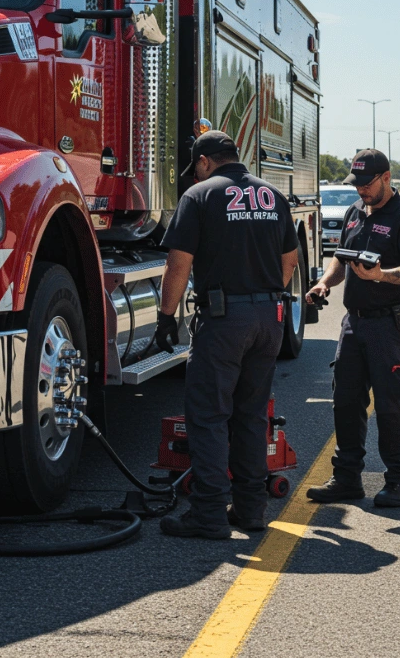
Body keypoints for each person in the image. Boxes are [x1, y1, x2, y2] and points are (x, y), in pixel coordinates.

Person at [153, 130, 299, 539]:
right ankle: (251, 510)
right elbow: (290, 260)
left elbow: (179, 264)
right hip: (269, 317)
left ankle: (209, 514)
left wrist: (167, 318)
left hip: (224, 319)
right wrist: (264, 295)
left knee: (209, 416)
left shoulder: (199, 197)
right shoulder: (273, 196)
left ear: (203, 162)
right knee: (251, 416)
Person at [305, 149, 400, 507]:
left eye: (367, 183)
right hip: (354, 324)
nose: (361, 190)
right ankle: (346, 479)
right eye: (356, 184)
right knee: (345, 402)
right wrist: (324, 283)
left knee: (391, 405)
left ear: (386, 177)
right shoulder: (354, 213)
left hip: (391, 326)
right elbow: (341, 260)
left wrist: (381, 275)